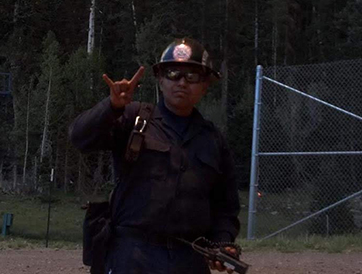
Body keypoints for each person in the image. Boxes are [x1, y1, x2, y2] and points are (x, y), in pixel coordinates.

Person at [69, 38, 241, 274]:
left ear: (205, 85)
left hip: (189, 260)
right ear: (160, 80)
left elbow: (226, 205)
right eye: (173, 73)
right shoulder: (133, 119)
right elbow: (79, 138)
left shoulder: (213, 140)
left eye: (192, 76)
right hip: (133, 256)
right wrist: (112, 107)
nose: (181, 82)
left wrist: (222, 243)